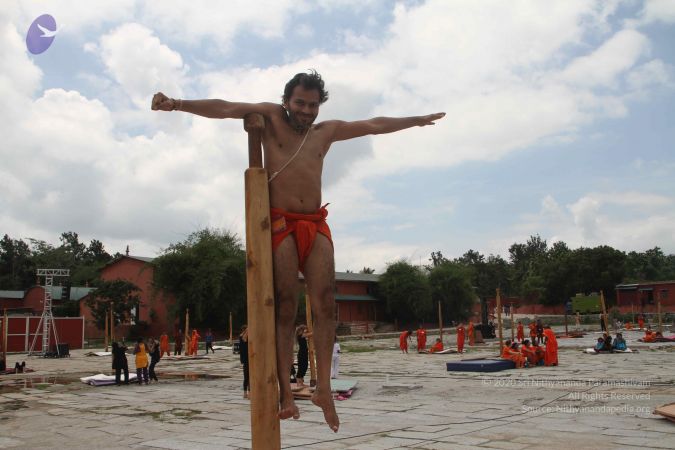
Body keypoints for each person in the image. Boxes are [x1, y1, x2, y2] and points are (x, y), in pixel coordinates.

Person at [152, 71, 444, 432]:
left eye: (313, 105)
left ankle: (323, 390)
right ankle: (286, 394)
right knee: (286, 305)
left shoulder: (326, 131)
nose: (306, 111)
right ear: (287, 101)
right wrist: (176, 104)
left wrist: (416, 120)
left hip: (315, 223)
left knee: (326, 303)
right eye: (300, 103)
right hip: (281, 223)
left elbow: (373, 125)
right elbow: (225, 107)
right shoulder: (271, 117)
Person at [239, 325, 250, 399]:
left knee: (247, 377)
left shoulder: (242, 337)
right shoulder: (243, 337)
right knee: (247, 377)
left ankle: (247, 393)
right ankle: (247, 393)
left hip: (246, 359)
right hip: (247, 359)